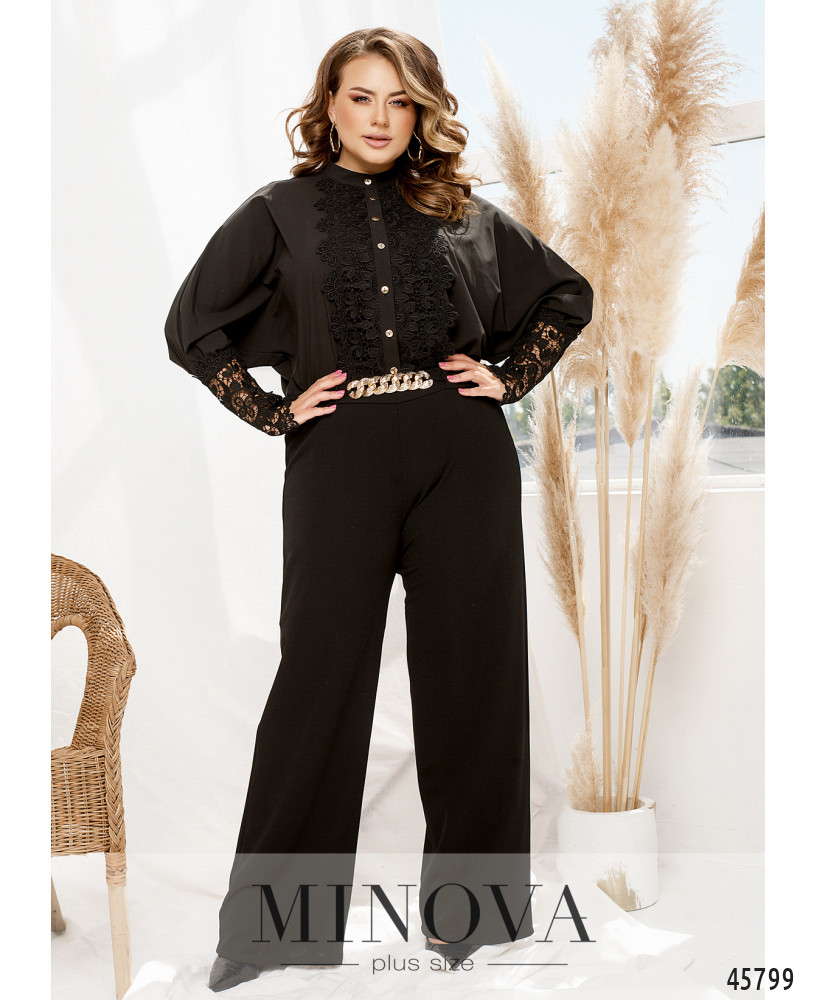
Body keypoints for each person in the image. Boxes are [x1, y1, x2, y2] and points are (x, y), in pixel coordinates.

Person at [164, 26, 593, 994]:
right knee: (318, 677)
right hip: (340, 458)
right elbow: (191, 325)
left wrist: (508, 376)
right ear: (329, 104)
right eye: (361, 97)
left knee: (474, 678)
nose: (380, 118)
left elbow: (566, 295)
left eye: (400, 101)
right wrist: (273, 410)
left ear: (422, 112)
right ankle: (271, 932)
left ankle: (475, 920)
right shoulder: (277, 211)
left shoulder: (462, 212)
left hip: (461, 453)